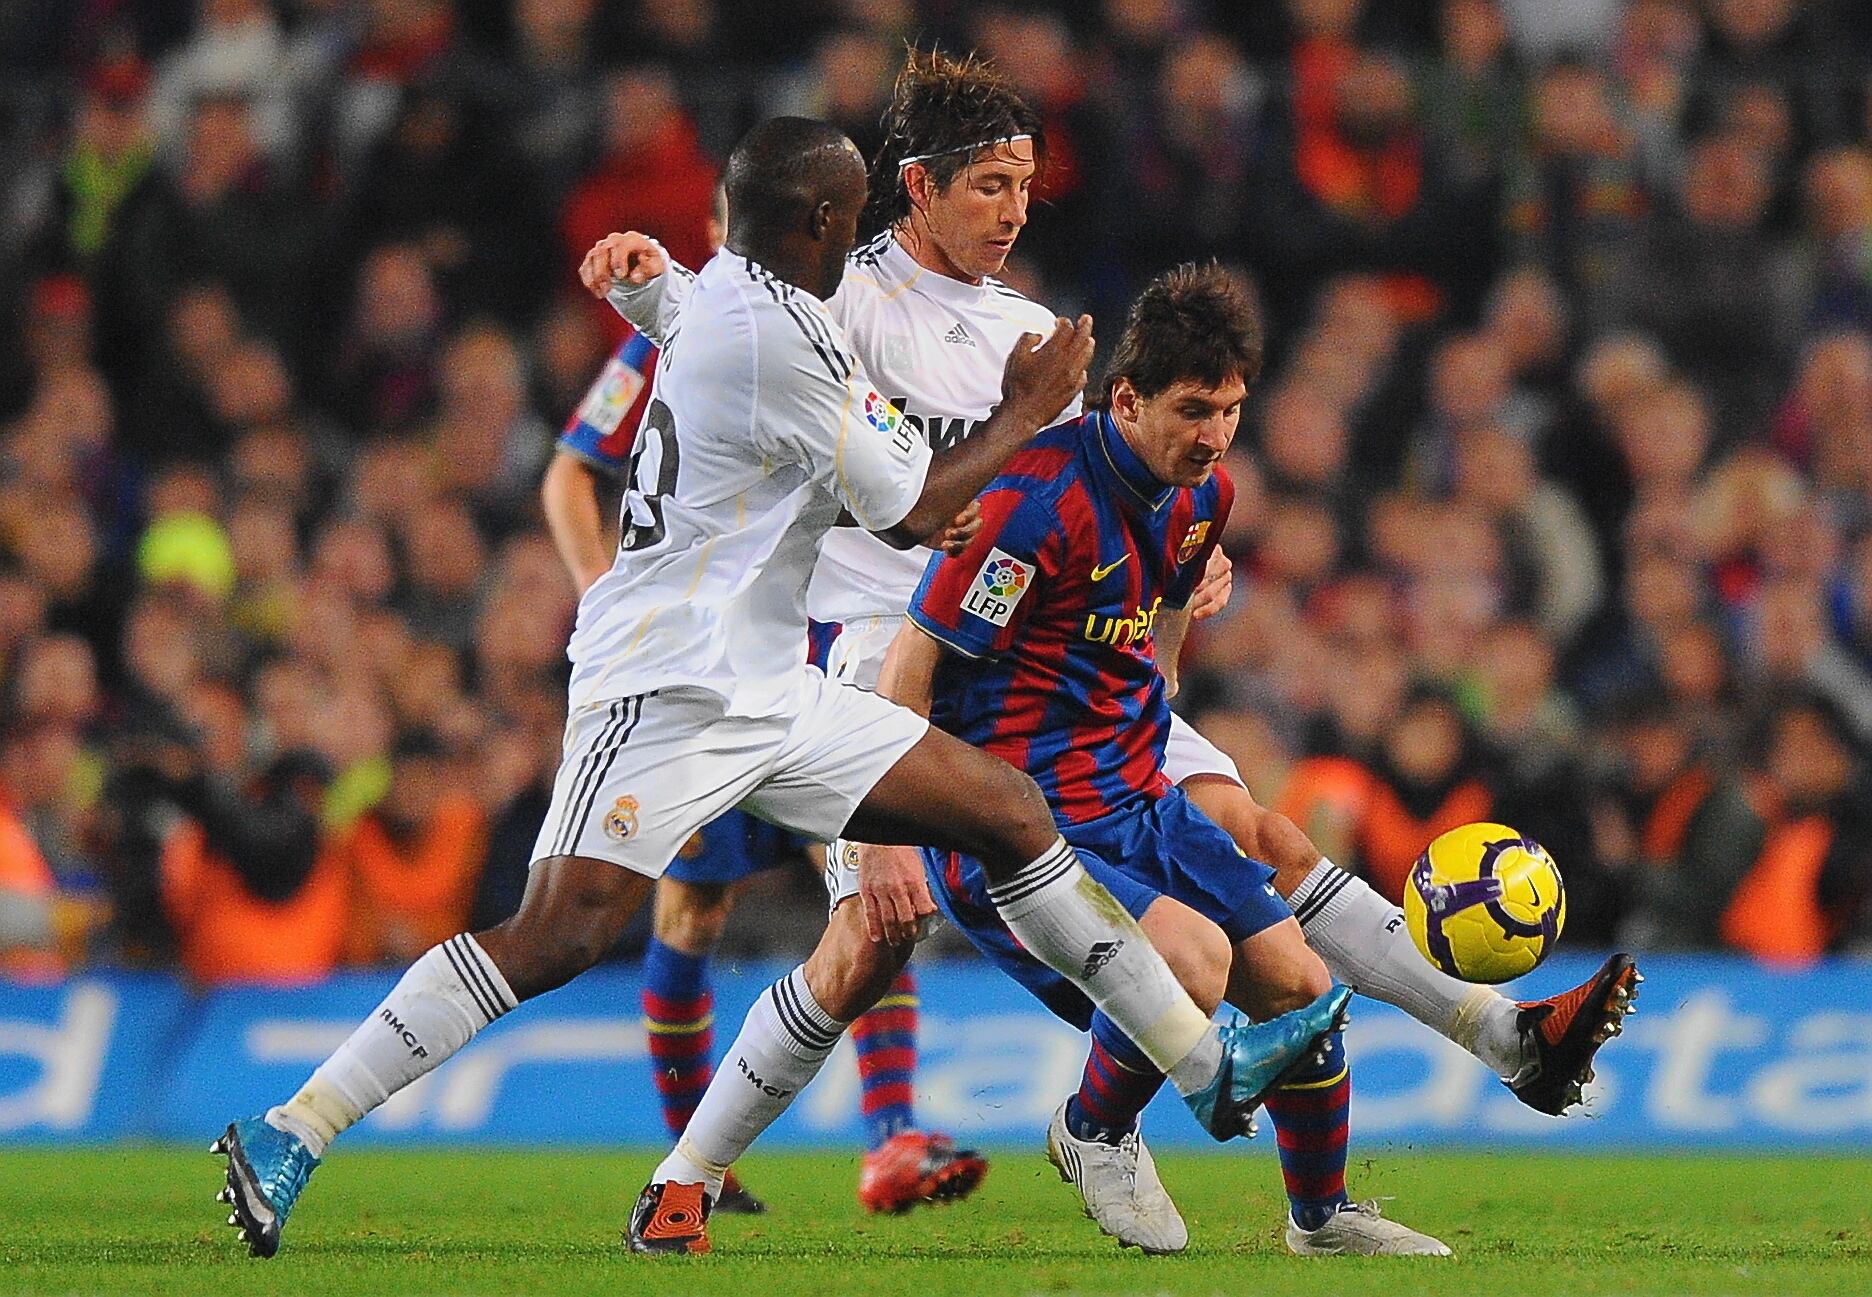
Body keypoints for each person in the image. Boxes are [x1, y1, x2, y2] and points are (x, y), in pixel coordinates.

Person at [210, 116, 1345, 1260]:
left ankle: (1203, 1068)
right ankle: (290, 1127)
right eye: (851, 216)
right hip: (661, 685)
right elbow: (914, 509)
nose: (863, 236)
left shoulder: (729, 297)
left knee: (1005, 810)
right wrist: (1021, 412)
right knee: (558, 931)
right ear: (818, 223)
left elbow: (689, 317)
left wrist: (639, 284)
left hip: (775, 685)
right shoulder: (784, 341)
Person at [595, 45, 1639, 1250]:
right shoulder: (840, 297)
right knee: (871, 933)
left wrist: (1178, 558)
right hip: (871, 641)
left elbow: (1104, 492)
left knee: (1259, 829)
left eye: (1026, 183)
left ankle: (1498, 1034)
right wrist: (650, 293)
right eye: (989, 184)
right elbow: (731, 329)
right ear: (917, 187)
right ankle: (686, 1174)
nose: (1015, 208)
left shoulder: (1033, 331)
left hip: (1045, 651)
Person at [897, 264, 1447, 1255]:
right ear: (1124, 398)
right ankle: (1094, 1129)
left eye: (1232, 410)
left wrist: (1149, 721)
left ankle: (1322, 1220)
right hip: (1013, 828)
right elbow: (912, 666)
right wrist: (900, 836)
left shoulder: (1204, 499)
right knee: (1194, 960)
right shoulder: (1029, 504)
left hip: (1130, 798)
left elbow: (1157, 636)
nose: (1216, 435)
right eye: (1195, 411)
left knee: (1299, 979)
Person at [542, 184, 985, 1213]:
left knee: (871, 881)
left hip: (808, 650)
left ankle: (890, 1133)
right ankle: (700, 1149)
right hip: (691, 670)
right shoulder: (666, 333)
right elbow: (572, 474)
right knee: (692, 903)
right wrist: (605, 592)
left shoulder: (835, 337)